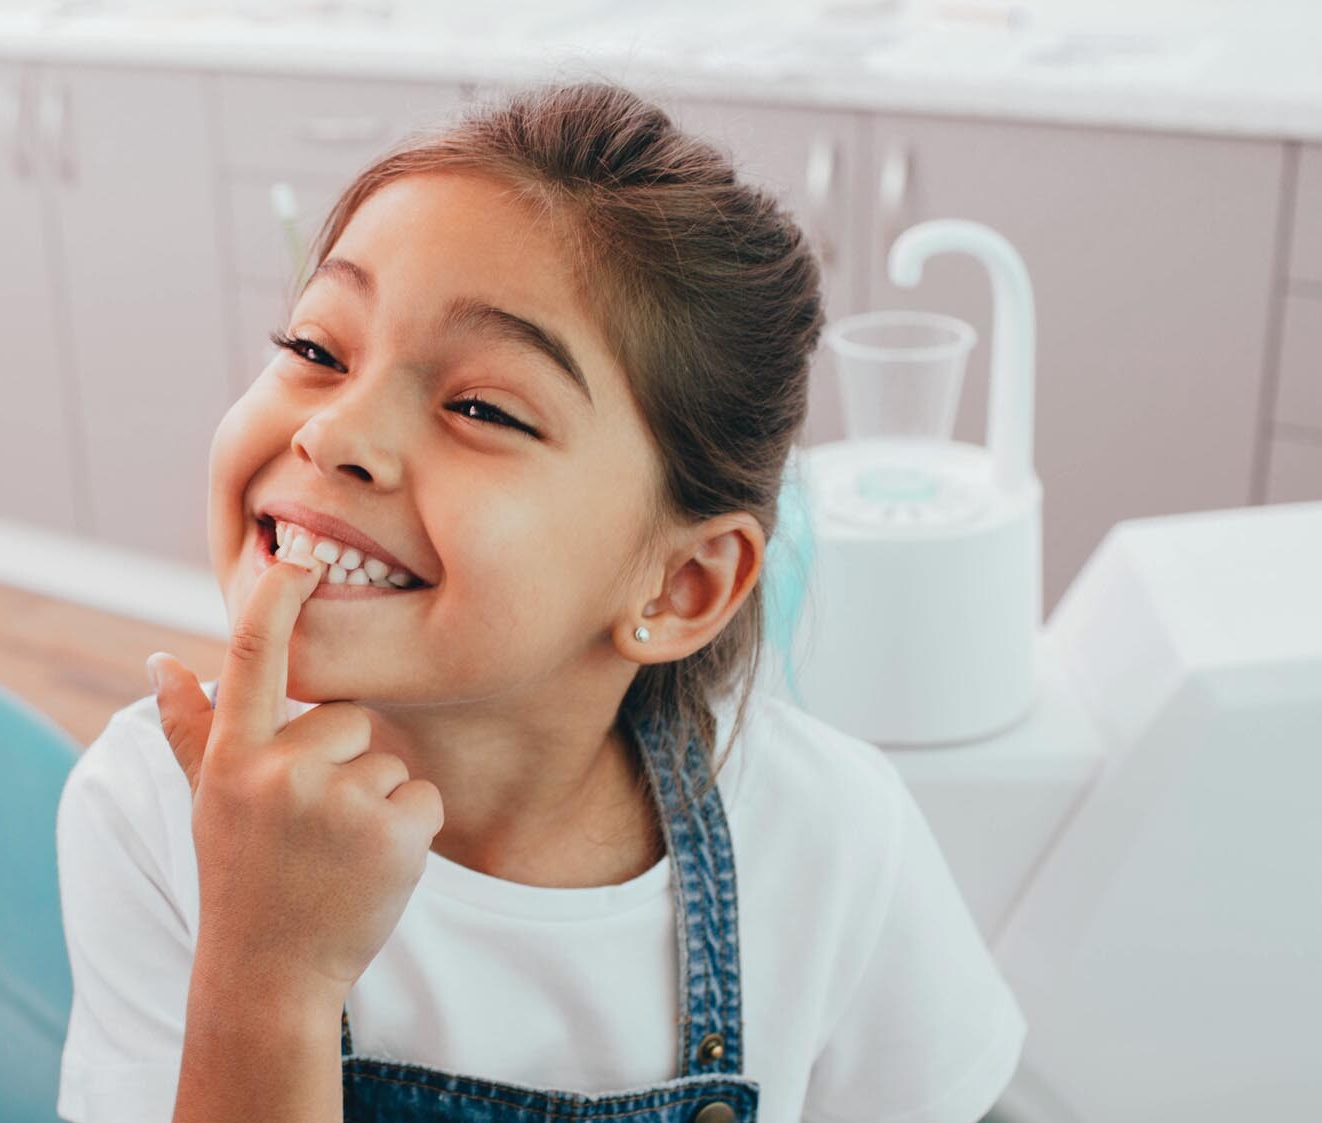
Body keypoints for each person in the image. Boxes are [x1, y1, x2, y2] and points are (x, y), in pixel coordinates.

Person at [55, 79, 1026, 1123]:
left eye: (479, 405)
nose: (331, 433)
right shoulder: (155, 809)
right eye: (315, 348)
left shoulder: (833, 841)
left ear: (680, 584)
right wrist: (264, 979)